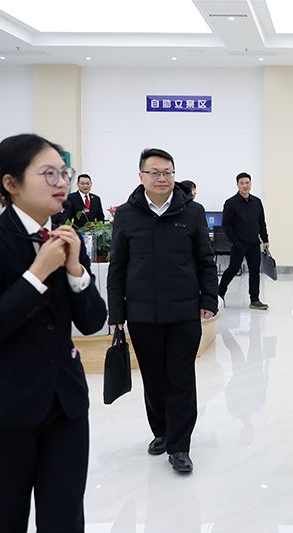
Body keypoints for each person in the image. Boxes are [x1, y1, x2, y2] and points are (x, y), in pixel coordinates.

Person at [0, 133, 107, 532]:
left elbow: (92, 322)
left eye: (64, 172)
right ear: (11, 183)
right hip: (5, 410)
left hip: (66, 405)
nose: (62, 183)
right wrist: (37, 273)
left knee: (65, 517)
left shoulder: (66, 238)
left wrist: (75, 271)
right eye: (48, 174)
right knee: (4, 517)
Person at [107, 148, 218, 474]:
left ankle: (179, 446)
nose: (162, 178)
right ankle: (162, 432)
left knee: (181, 379)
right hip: (142, 315)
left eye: (167, 172)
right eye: (154, 172)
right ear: (141, 176)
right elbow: (118, 267)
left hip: (184, 313)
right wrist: (116, 314)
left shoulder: (192, 212)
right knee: (153, 379)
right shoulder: (126, 214)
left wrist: (209, 300)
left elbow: (205, 259)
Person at [218, 172, 269, 310]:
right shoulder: (231, 203)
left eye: (247, 182)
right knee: (233, 269)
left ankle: (255, 300)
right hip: (239, 243)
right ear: (237, 185)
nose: (245, 185)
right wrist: (235, 241)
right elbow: (226, 225)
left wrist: (265, 239)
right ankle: (218, 295)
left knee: (255, 271)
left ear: (250, 183)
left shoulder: (257, 202)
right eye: (242, 183)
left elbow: (261, 222)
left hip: (254, 243)